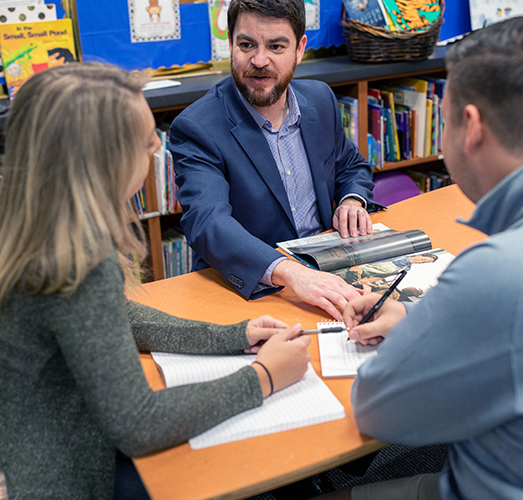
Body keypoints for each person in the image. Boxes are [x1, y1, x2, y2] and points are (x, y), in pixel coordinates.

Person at [0, 62, 311, 499]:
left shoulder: (32, 222)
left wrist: (232, 335)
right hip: (72, 476)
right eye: (145, 140)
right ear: (101, 159)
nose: (153, 148)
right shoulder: (76, 260)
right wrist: (264, 376)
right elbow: (139, 423)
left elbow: (116, 317)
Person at [333, 15, 523, 499]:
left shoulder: (503, 271)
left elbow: (376, 408)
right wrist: (421, 319)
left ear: (470, 127)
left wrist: (422, 332)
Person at [170, 0, 379, 321]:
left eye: (277, 47)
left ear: (300, 49)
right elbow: (208, 222)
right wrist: (293, 274)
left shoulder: (320, 99)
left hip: (331, 268)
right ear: (230, 46)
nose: (260, 60)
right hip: (260, 291)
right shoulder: (198, 127)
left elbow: (350, 166)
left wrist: (352, 199)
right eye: (247, 44)